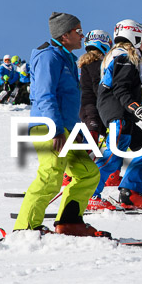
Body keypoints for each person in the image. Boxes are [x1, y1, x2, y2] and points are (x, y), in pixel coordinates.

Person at [13, 12, 109, 237]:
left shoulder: (65, 57)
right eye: (78, 31)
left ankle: (69, 222)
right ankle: (25, 227)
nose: (82, 36)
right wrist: (55, 129)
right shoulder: (49, 57)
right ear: (64, 34)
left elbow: (68, 100)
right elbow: (45, 95)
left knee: (88, 173)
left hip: (66, 129)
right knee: (51, 176)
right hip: (49, 127)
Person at [95, 19, 142, 210]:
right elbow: (120, 89)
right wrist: (136, 108)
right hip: (119, 114)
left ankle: (130, 193)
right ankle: (89, 193)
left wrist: (134, 110)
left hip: (124, 115)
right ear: (135, 36)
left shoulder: (122, 56)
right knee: (113, 156)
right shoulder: (123, 57)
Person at [75, 29, 120, 211]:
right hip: (92, 109)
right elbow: (97, 88)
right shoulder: (95, 63)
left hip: (89, 110)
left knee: (101, 145)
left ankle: (108, 177)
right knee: (91, 146)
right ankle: (78, 181)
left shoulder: (88, 62)